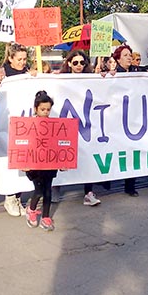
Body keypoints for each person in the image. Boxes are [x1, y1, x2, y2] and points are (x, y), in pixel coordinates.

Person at [57, 50, 101, 206]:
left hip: (85, 123)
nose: (79, 66)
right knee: (62, 155)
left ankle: (88, 192)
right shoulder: (60, 79)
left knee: (88, 156)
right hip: (66, 122)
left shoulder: (90, 78)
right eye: (75, 62)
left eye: (82, 63)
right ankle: (56, 187)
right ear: (69, 63)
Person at [0, 42, 31, 216]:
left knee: (24, 160)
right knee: (10, 158)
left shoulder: (27, 72)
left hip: (25, 122)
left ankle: (18, 197)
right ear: (10, 59)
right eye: (19, 59)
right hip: (8, 123)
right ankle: (10, 196)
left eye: (25, 59)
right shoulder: (3, 74)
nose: (22, 62)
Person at [25, 91, 61, 231]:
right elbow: (23, 145)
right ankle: (32, 209)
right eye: (42, 109)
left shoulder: (54, 125)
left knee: (48, 191)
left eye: (48, 109)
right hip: (34, 165)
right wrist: (23, 163)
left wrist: (63, 161)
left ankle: (46, 217)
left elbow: (59, 144)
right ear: (35, 109)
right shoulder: (28, 125)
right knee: (39, 190)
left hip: (50, 163)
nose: (46, 112)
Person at [112, 44, 142, 196]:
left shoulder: (137, 71)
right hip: (117, 118)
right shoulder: (114, 74)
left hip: (134, 118)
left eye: (130, 55)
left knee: (132, 151)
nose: (129, 57)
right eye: (125, 55)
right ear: (117, 59)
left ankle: (130, 185)